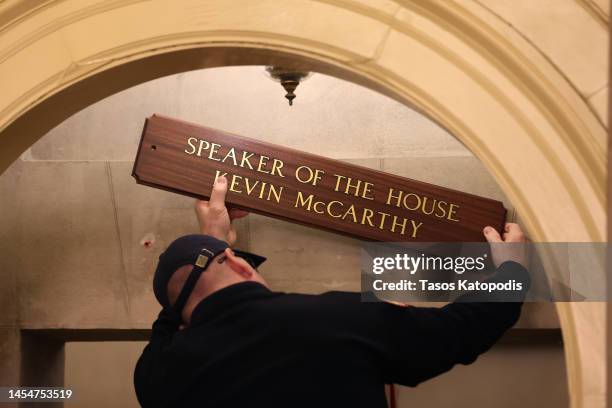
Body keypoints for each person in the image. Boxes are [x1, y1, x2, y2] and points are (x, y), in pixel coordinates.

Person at [134, 176, 530, 408]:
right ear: (239, 264)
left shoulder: (159, 378)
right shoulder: (336, 319)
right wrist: (512, 268)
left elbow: (168, 322)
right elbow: (459, 329)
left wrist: (209, 248)